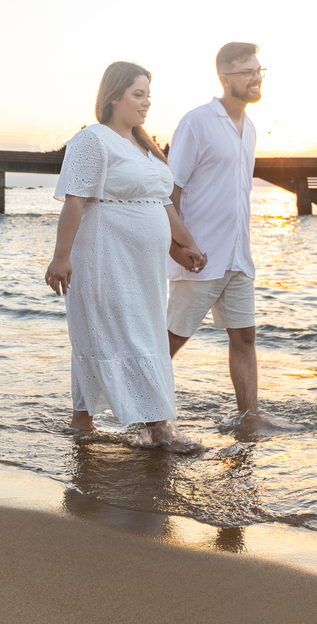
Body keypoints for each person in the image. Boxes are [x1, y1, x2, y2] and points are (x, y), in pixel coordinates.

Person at [45, 61, 207, 453]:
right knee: (128, 333)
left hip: (145, 267)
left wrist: (184, 246)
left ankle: (81, 423)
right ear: (113, 96)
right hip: (106, 256)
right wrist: (60, 257)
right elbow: (76, 201)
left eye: (148, 95)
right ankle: (159, 428)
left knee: (140, 331)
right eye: (138, 94)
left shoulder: (144, 145)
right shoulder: (93, 140)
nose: (146, 102)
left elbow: (161, 203)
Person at [165, 42, 264, 420]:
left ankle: (249, 416)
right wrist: (178, 246)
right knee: (172, 340)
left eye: (258, 71)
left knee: (244, 336)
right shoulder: (198, 122)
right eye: (247, 72)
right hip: (200, 255)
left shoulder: (250, 128)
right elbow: (169, 191)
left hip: (239, 255)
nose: (255, 78)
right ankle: (141, 416)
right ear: (224, 78)